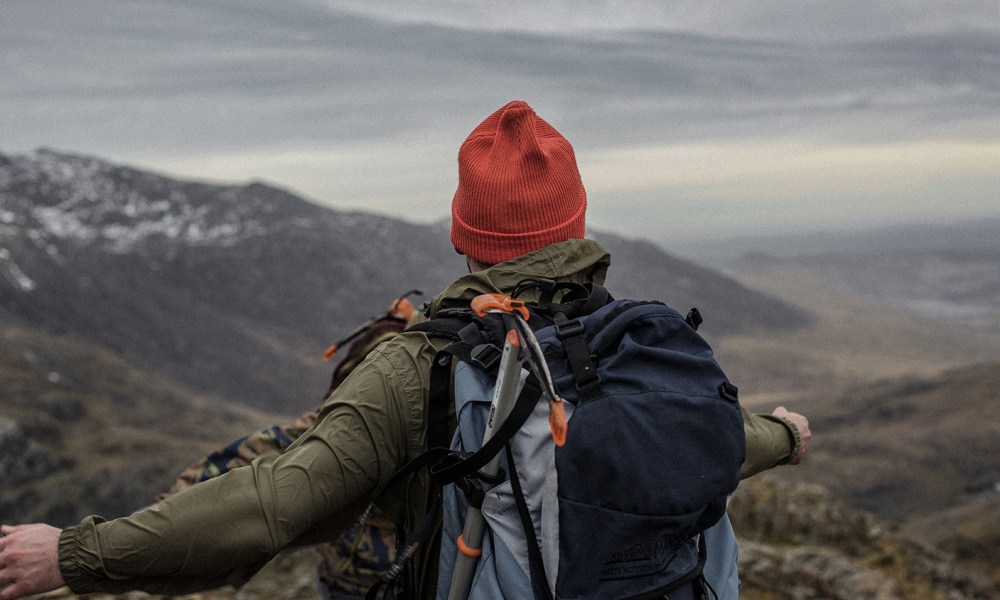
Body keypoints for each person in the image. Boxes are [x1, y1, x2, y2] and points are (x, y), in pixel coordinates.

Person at [0, 100, 811, 600]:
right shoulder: (635, 340)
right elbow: (717, 441)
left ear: (465, 234)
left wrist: (72, 556)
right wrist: (786, 436)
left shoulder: (418, 363)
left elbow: (275, 505)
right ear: (577, 226)